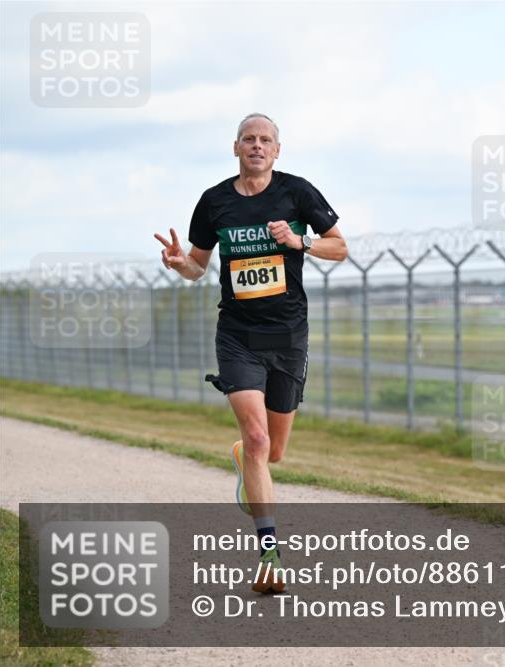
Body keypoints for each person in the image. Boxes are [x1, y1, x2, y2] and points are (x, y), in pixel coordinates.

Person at [154, 113, 347, 593]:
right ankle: (270, 556)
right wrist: (181, 265)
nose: (257, 146)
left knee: (272, 451)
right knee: (259, 440)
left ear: (277, 150)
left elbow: (339, 247)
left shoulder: (297, 192)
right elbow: (198, 267)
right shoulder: (214, 201)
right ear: (235, 147)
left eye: (265, 140)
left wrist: (298, 240)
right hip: (237, 333)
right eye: (249, 139)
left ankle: (246, 459)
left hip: (286, 335)